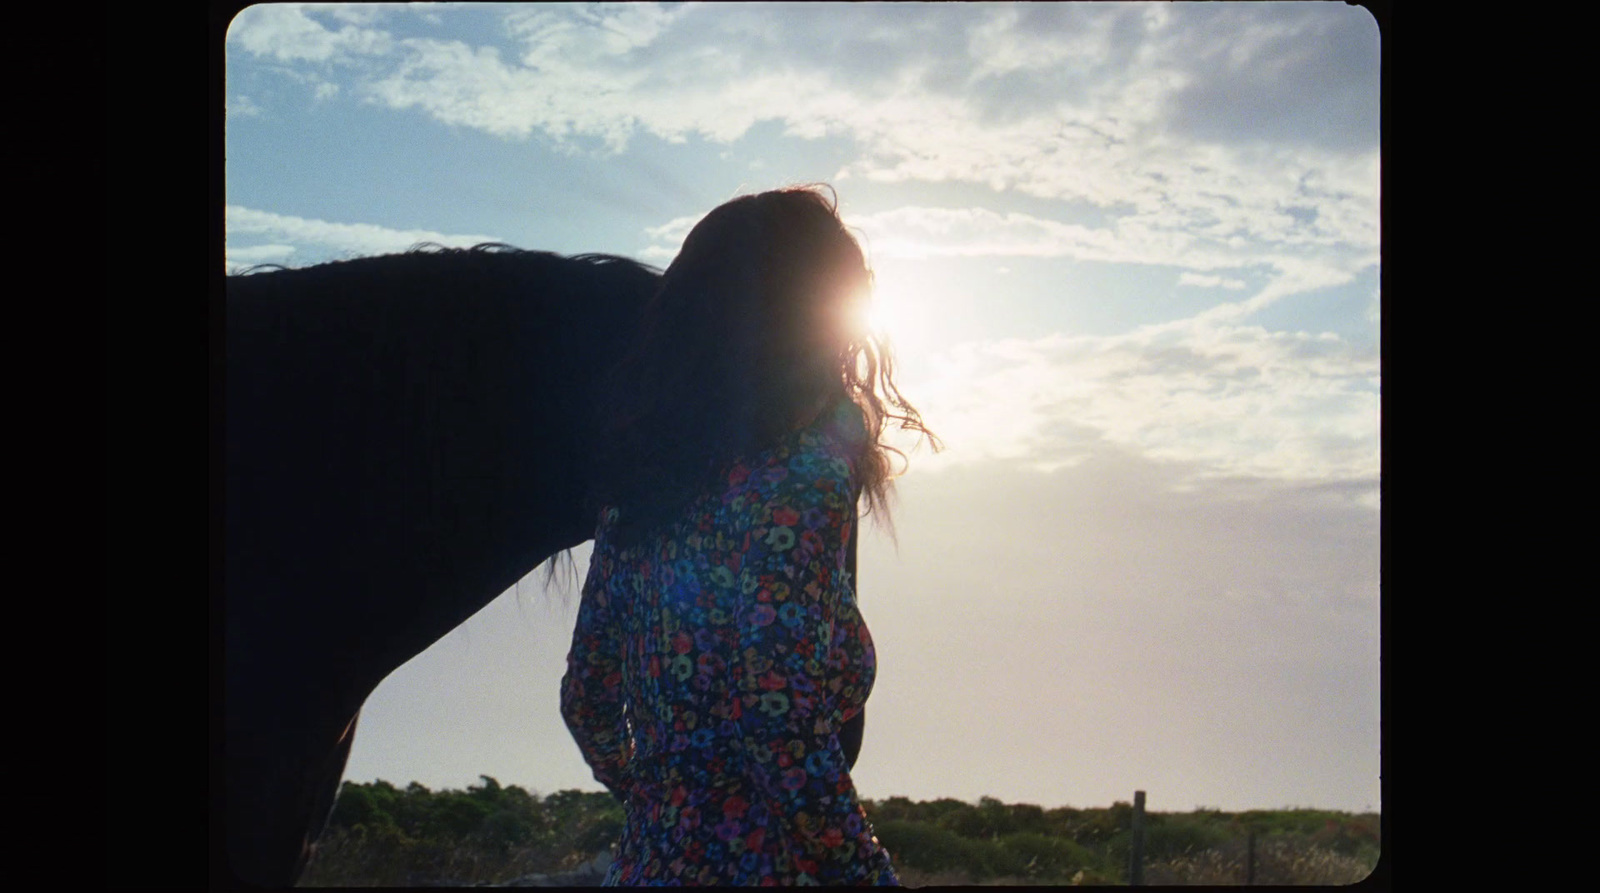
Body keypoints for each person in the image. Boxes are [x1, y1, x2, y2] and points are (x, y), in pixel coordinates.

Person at [560, 185, 938, 885]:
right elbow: (776, 721)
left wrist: (670, 808)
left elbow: (588, 699)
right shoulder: (800, 477)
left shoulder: (639, 490)